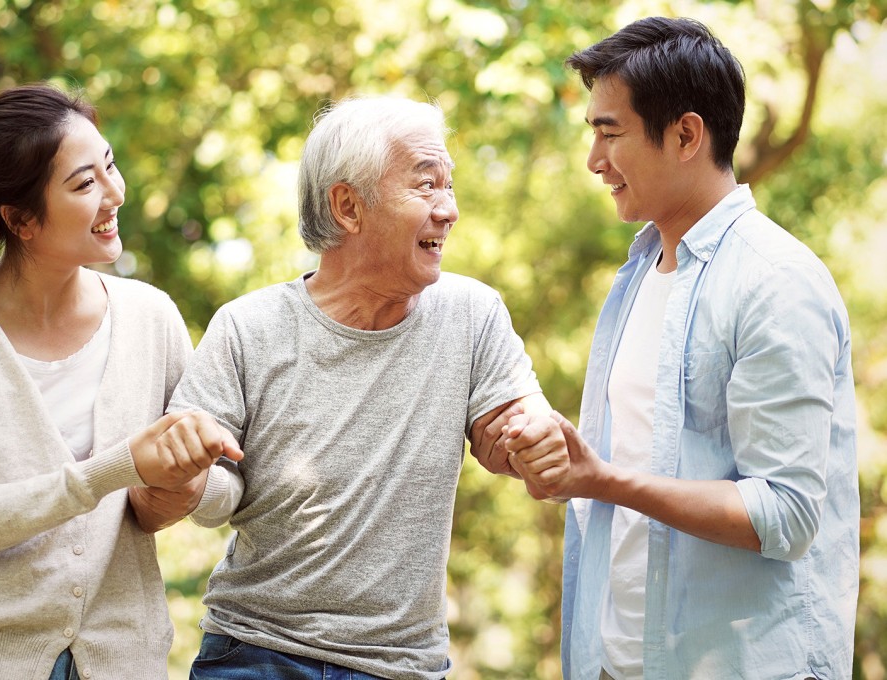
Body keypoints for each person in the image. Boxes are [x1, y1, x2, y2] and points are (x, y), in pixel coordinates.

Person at [127, 95, 569, 680]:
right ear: (347, 207)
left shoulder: (472, 314)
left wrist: (532, 442)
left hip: (402, 667)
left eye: (449, 185)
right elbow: (197, 497)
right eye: (427, 185)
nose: (450, 209)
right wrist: (182, 479)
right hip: (257, 652)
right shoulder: (248, 327)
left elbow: (508, 430)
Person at [511, 16, 858, 680]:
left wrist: (602, 479)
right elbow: (632, 461)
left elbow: (784, 512)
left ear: (686, 134)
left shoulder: (774, 281)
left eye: (609, 133)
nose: (594, 160)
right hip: (619, 663)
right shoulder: (639, 274)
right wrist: (556, 460)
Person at [0, 83, 241, 680]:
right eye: (83, 184)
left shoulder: (151, 318)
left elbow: (225, 490)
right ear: (21, 220)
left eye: (110, 166)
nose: (114, 194)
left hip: (123, 659)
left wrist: (185, 487)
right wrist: (117, 468)